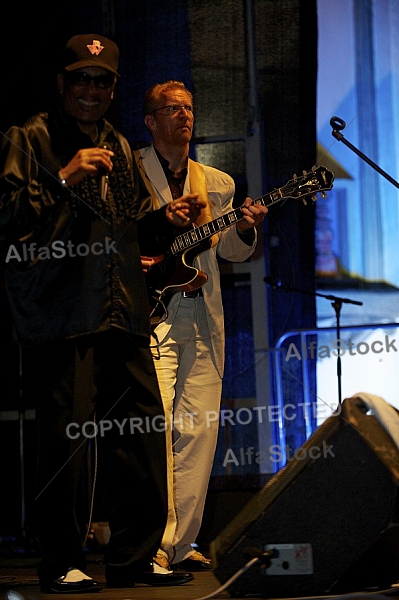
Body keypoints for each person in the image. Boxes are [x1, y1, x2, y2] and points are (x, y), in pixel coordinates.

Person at [0, 36, 207, 593]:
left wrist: (168, 217)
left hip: (123, 310)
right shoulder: (30, 137)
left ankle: (136, 558)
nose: (92, 90)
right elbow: (7, 215)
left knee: (141, 431)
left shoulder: (117, 141)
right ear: (63, 84)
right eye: (82, 79)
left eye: (103, 81)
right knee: (67, 440)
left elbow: (135, 223)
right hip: (62, 312)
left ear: (113, 90)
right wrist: (63, 177)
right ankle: (62, 560)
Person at [134, 80, 268, 572]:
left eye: (189, 107)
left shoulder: (217, 182)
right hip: (154, 315)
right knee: (157, 431)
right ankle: (151, 542)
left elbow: (229, 249)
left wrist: (246, 225)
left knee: (198, 431)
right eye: (172, 109)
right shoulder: (133, 172)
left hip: (203, 317)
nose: (184, 116)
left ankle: (180, 543)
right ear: (151, 121)